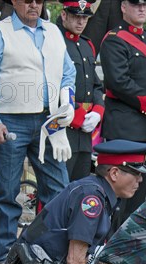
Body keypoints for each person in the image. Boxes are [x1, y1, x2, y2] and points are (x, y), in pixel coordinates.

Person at [0, 0, 77, 264]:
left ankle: (54, 250)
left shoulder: (53, 32)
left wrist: (67, 101)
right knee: (8, 190)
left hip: (50, 119)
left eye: (39, 0)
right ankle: (7, 255)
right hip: (11, 120)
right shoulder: (0, 32)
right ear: (15, 2)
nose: (34, 4)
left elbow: (68, 72)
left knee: (59, 188)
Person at [1, 140, 146, 264]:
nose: (140, 180)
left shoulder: (98, 193)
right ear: (114, 173)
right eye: (135, 174)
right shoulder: (91, 199)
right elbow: (75, 260)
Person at [100, 0, 146, 228]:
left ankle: (128, 247)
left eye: (145, 4)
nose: (142, 8)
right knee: (119, 194)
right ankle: (107, 247)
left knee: (138, 193)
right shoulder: (114, 39)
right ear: (123, 7)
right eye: (136, 4)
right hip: (123, 127)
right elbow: (118, 83)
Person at [58, 0, 105, 182]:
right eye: (76, 16)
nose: (81, 22)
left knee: (80, 185)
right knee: (58, 188)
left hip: (85, 132)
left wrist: (98, 112)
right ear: (64, 15)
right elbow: (53, 85)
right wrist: (78, 116)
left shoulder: (87, 45)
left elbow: (95, 84)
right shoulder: (56, 42)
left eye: (84, 18)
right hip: (64, 126)